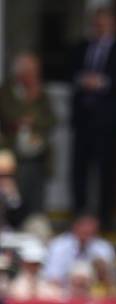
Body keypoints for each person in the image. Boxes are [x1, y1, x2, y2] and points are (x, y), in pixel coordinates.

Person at [69, 7, 116, 228]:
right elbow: (68, 72)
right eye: (96, 24)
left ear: (113, 25)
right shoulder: (81, 47)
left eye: (104, 24)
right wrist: (82, 80)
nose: (99, 28)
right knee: (79, 169)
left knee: (106, 172)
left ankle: (104, 219)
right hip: (83, 120)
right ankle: (79, 215)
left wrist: (103, 83)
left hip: (108, 123)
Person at [0, 53, 56, 220]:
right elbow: (6, 116)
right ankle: (14, 221)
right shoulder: (6, 92)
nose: (35, 76)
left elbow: (51, 119)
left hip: (37, 153)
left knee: (36, 192)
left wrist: (34, 117)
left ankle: (34, 220)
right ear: (20, 74)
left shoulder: (41, 94)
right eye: (31, 72)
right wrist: (20, 119)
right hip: (11, 154)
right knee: (15, 193)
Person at [43, 214, 116, 288]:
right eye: (84, 228)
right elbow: (51, 276)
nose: (87, 230)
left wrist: (102, 271)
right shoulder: (59, 245)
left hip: (94, 292)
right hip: (64, 291)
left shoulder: (104, 248)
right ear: (75, 227)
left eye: (91, 229)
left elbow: (112, 280)